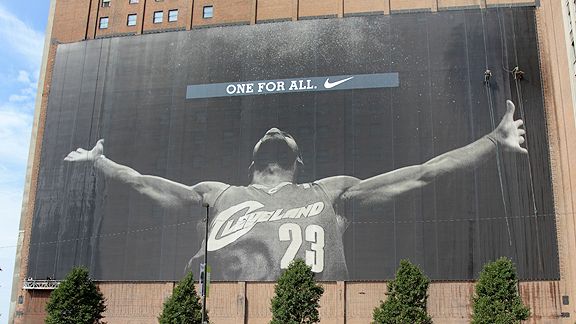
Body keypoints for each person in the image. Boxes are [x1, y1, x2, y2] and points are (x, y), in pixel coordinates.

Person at [65, 100, 527, 280]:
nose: (273, 127)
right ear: (252, 160)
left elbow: (423, 173)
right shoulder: (217, 194)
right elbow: (144, 185)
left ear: (297, 160)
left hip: (311, 312)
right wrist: (100, 161)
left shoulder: (329, 192)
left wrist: (493, 140)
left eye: (283, 132)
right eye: (267, 131)